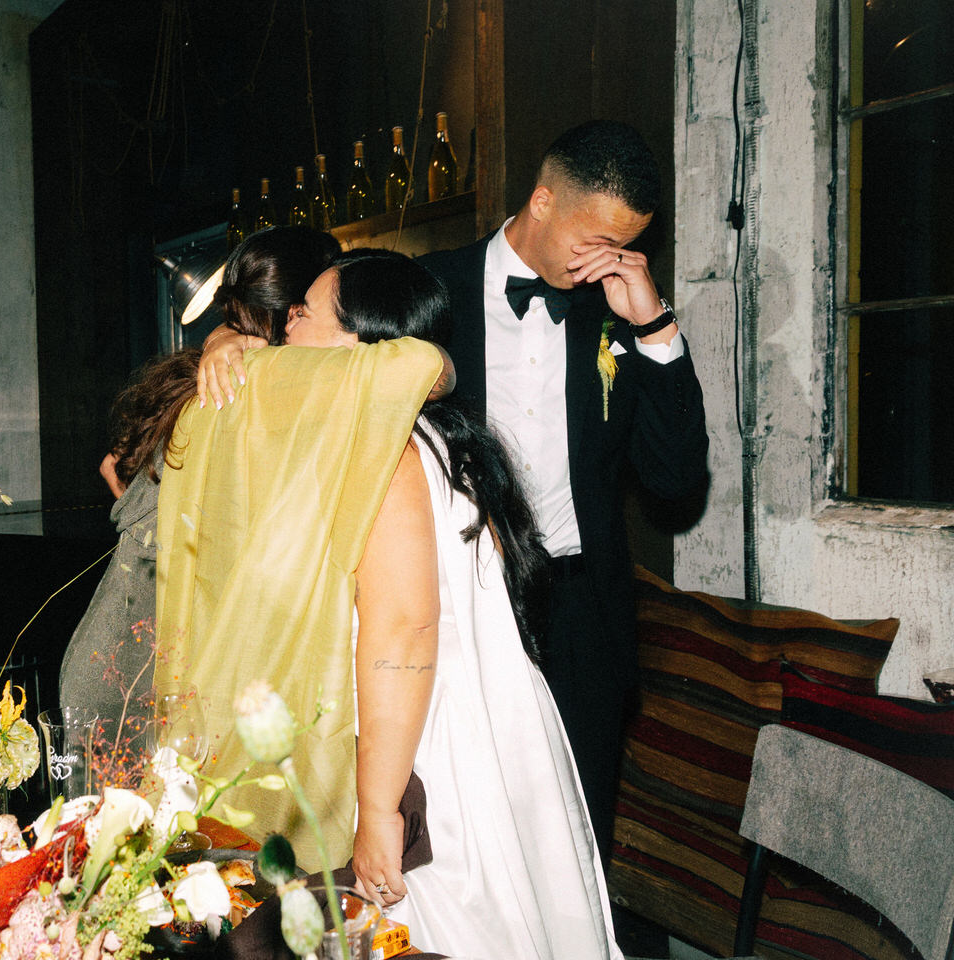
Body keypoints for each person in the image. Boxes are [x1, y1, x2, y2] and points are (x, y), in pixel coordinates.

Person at [284, 249, 622, 960]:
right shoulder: (420, 434)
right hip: (462, 718)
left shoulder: (391, 452)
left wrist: (379, 809)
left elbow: (404, 631)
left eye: (304, 311)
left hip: (430, 742)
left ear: (359, 343)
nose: (287, 322)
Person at [418, 120, 709, 860]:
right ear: (543, 202)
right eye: (597, 240)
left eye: (624, 246)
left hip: (583, 617)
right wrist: (229, 344)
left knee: (577, 842)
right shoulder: (430, 289)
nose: (606, 262)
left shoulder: (615, 310)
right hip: (457, 606)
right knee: (465, 839)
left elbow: (676, 481)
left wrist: (654, 327)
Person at [58, 226, 341, 721]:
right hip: (139, 681)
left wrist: (223, 336)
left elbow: (116, 469)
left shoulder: (199, 376)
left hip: (114, 656)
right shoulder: (254, 394)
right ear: (294, 312)